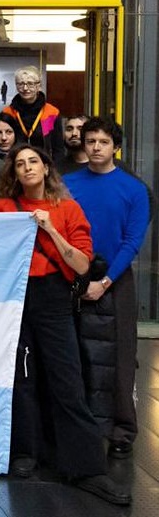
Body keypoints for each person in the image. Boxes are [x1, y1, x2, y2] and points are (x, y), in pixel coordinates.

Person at [0, 146, 130, 506]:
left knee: (67, 378)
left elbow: (82, 265)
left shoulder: (67, 209)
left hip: (52, 298)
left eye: (33, 161)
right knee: (19, 377)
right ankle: (23, 453)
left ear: (47, 168)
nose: (27, 167)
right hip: (13, 299)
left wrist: (50, 230)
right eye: (20, 164)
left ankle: (86, 468)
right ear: (13, 173)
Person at [65, 117, 152, 457]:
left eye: (103, 142)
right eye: (90, 141)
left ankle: (121, 431)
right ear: (83, 145)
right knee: (75, 354)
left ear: (115, 146)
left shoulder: (135, 189)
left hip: (115, 278)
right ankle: (78, 427)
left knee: (119, 356)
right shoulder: (67, 184)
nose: (96, 147)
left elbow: (132, 242)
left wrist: (104, 282)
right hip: (72, 274)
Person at [2, 65, 65, 162]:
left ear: (39, 85)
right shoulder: (8, 112)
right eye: (21, 84)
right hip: (15, 164)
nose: (25, 88)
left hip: (43, 165)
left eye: (30, 84)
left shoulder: (51, 113)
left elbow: (58, 148)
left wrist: (55, 172)